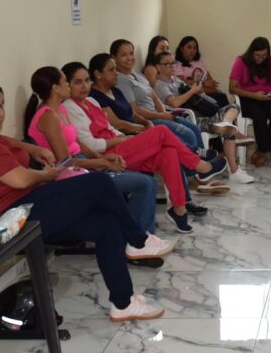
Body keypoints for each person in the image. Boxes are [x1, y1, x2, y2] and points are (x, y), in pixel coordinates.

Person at [0, 76, 171, 322]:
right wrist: (47, 175)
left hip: (26, 204)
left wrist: (32, 149)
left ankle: (123, 303)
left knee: (107, 224)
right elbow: (20, 180)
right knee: (100, 183)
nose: (0, 113)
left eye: (1, 105)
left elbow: (5, 142)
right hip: (16, 215)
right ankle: (138, 241)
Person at [60, 61, 229, 232]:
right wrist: (122, 140)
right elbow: (90, 144)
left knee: (168, 153)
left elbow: (110, 128)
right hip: (106, 156)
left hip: (120, 146)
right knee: (161, 131)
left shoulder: (91, 101)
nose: (84, 86)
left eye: (86, 80)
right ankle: (200, 166)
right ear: (67, 85)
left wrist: (126, 138)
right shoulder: (69, 107)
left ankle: (179, 209)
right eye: (78, 82)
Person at [23, 66, 158, 234]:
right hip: (70, 175)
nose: (68, 85)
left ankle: (136, 234)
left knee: (148, 181)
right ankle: (139, 237)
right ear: (55, 88)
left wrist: (102, 158)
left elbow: (78, 143)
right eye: (65, 81)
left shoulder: (60, 109)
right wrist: (101, 163)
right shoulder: (48, 117)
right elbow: (65, 162)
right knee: (145, 184)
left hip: (83, 164)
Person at [89, 52, 228, 199]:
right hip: (125, 137)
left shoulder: (116, 90)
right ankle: (199, 163)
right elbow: (117, 123)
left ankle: (182, 203)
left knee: (171, 150)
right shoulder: (95, 96)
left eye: (115, 69)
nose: (115, 73)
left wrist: (146, 122)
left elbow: (133, 113)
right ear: (98, 74)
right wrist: (143, 127)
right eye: (111, 70)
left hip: (136, 129)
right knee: (163, 131)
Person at [152, 51, 256, 184]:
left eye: (173, 63)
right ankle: (234, 170)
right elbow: (174, 103)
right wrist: (191, 91)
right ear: (158, 67)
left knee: (234, 107)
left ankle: (225, 123)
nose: (172, 66)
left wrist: (198, 91)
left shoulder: (176, 80)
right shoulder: (160, 85)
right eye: (167, 64)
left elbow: (192, 95)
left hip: (201, 114)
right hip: (190, 120)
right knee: (229, 131)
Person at [111, 38, 202, 150]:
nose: (130, 58)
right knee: (188, 135)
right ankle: (196, 159)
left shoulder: (137, 74)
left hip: (159, 114)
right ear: (114, 58)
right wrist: (161, 116)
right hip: (147, 120)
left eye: (131, 53)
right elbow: (134, 110)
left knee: (195, 129)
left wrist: (164, 113)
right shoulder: (120, 80)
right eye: (124, 55)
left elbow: (154, 96)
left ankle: (202, 156)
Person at [228, 37, 271, 167]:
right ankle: (264, 151)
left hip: (267, 96)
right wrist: (254, 95)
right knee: (260, 115)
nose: (260, 58)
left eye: (264, 55)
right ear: (252, 52)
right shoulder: (241, 61)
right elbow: (232, 88)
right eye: (257, 55)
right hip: (247, 97)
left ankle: (262, 150)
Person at [175, 35, 228, 106]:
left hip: (206, 92)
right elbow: (181, 82)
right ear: (181, 49)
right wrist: (203, 83)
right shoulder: (178, 64)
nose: (192, 51)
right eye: (189, 47)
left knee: (222, 95)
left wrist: (213, 84)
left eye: (195, 48)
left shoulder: (199, 62)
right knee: (221, 98)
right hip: (194, 95)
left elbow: (209, 79)